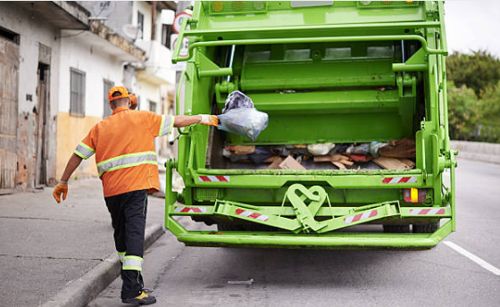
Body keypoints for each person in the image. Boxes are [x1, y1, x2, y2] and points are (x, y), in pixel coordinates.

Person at [52, 86, 218, 305]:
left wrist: (63, 181)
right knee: (134, 236)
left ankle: (134, 282)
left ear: (111, 105)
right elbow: (177, 121)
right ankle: (132, 290)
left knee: (121, 236)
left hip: (111, 192)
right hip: (136, 188)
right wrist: (203, 117)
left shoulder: (100, 127)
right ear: (129, 102)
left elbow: (78, 154)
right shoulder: (143, 118)